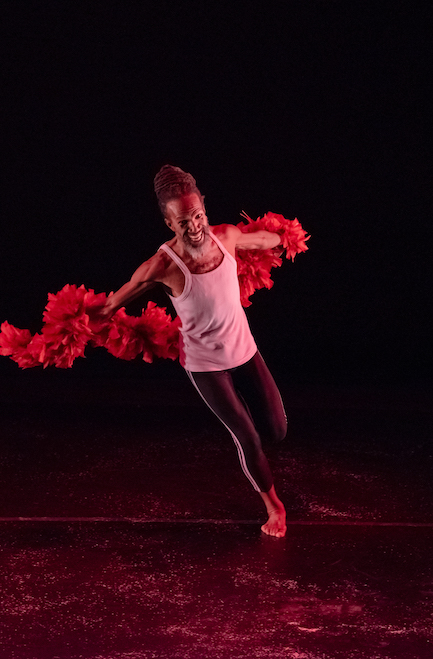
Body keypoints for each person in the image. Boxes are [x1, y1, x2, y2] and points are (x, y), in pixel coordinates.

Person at [96, 165, 289, 537]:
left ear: (204, 209)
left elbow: (265, 240)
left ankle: (253, 434)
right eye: (184, 222)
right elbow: (111, 304)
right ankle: (274, 508)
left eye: (198, 215)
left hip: (244, 349)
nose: (195, 226)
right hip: (205, 365)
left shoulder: (227, 237)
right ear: (170, 223)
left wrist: (283, 238)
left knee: (277, 431)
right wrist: (75, 323)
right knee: (246, 438)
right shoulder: (162, 266)